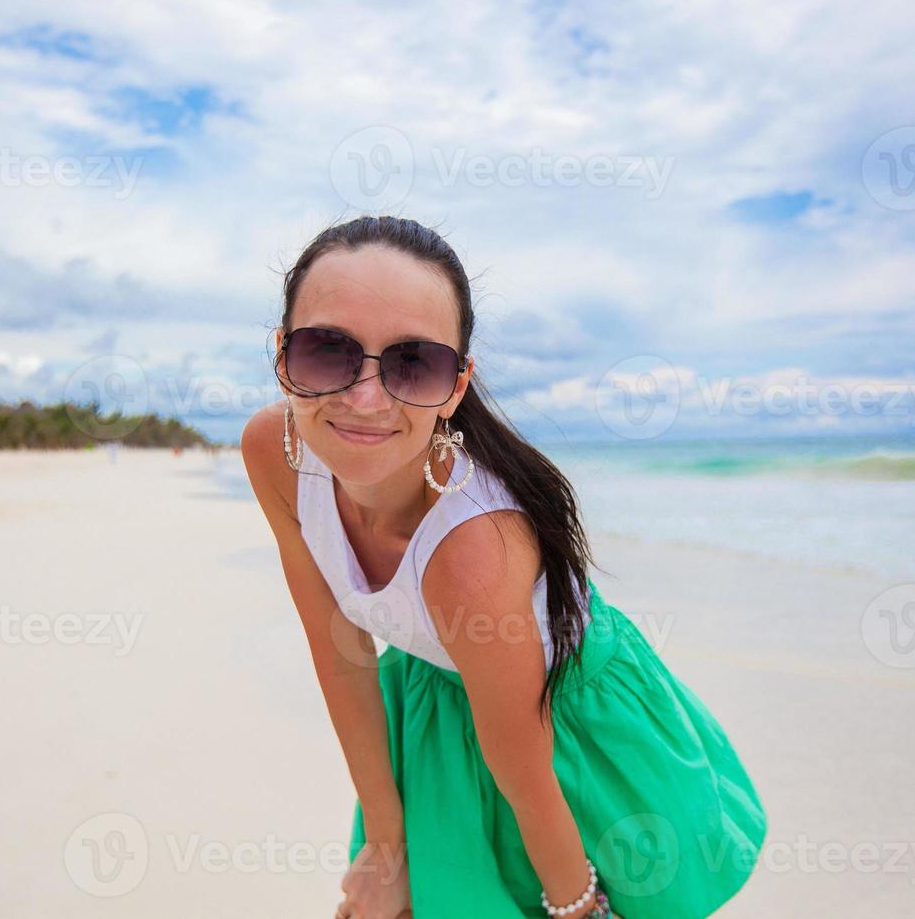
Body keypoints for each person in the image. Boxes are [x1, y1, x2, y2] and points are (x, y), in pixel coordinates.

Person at [241, 216, 766, 918]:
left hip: (563, 721)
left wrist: (577, 905)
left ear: (455, 387)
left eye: (412, 364)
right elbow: (338, 652)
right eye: (327, 351)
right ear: (283, 356)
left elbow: (524, 761)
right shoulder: (272, 451)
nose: (366, 398)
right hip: (436, 692)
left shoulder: (472, 549)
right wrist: (385, 846)